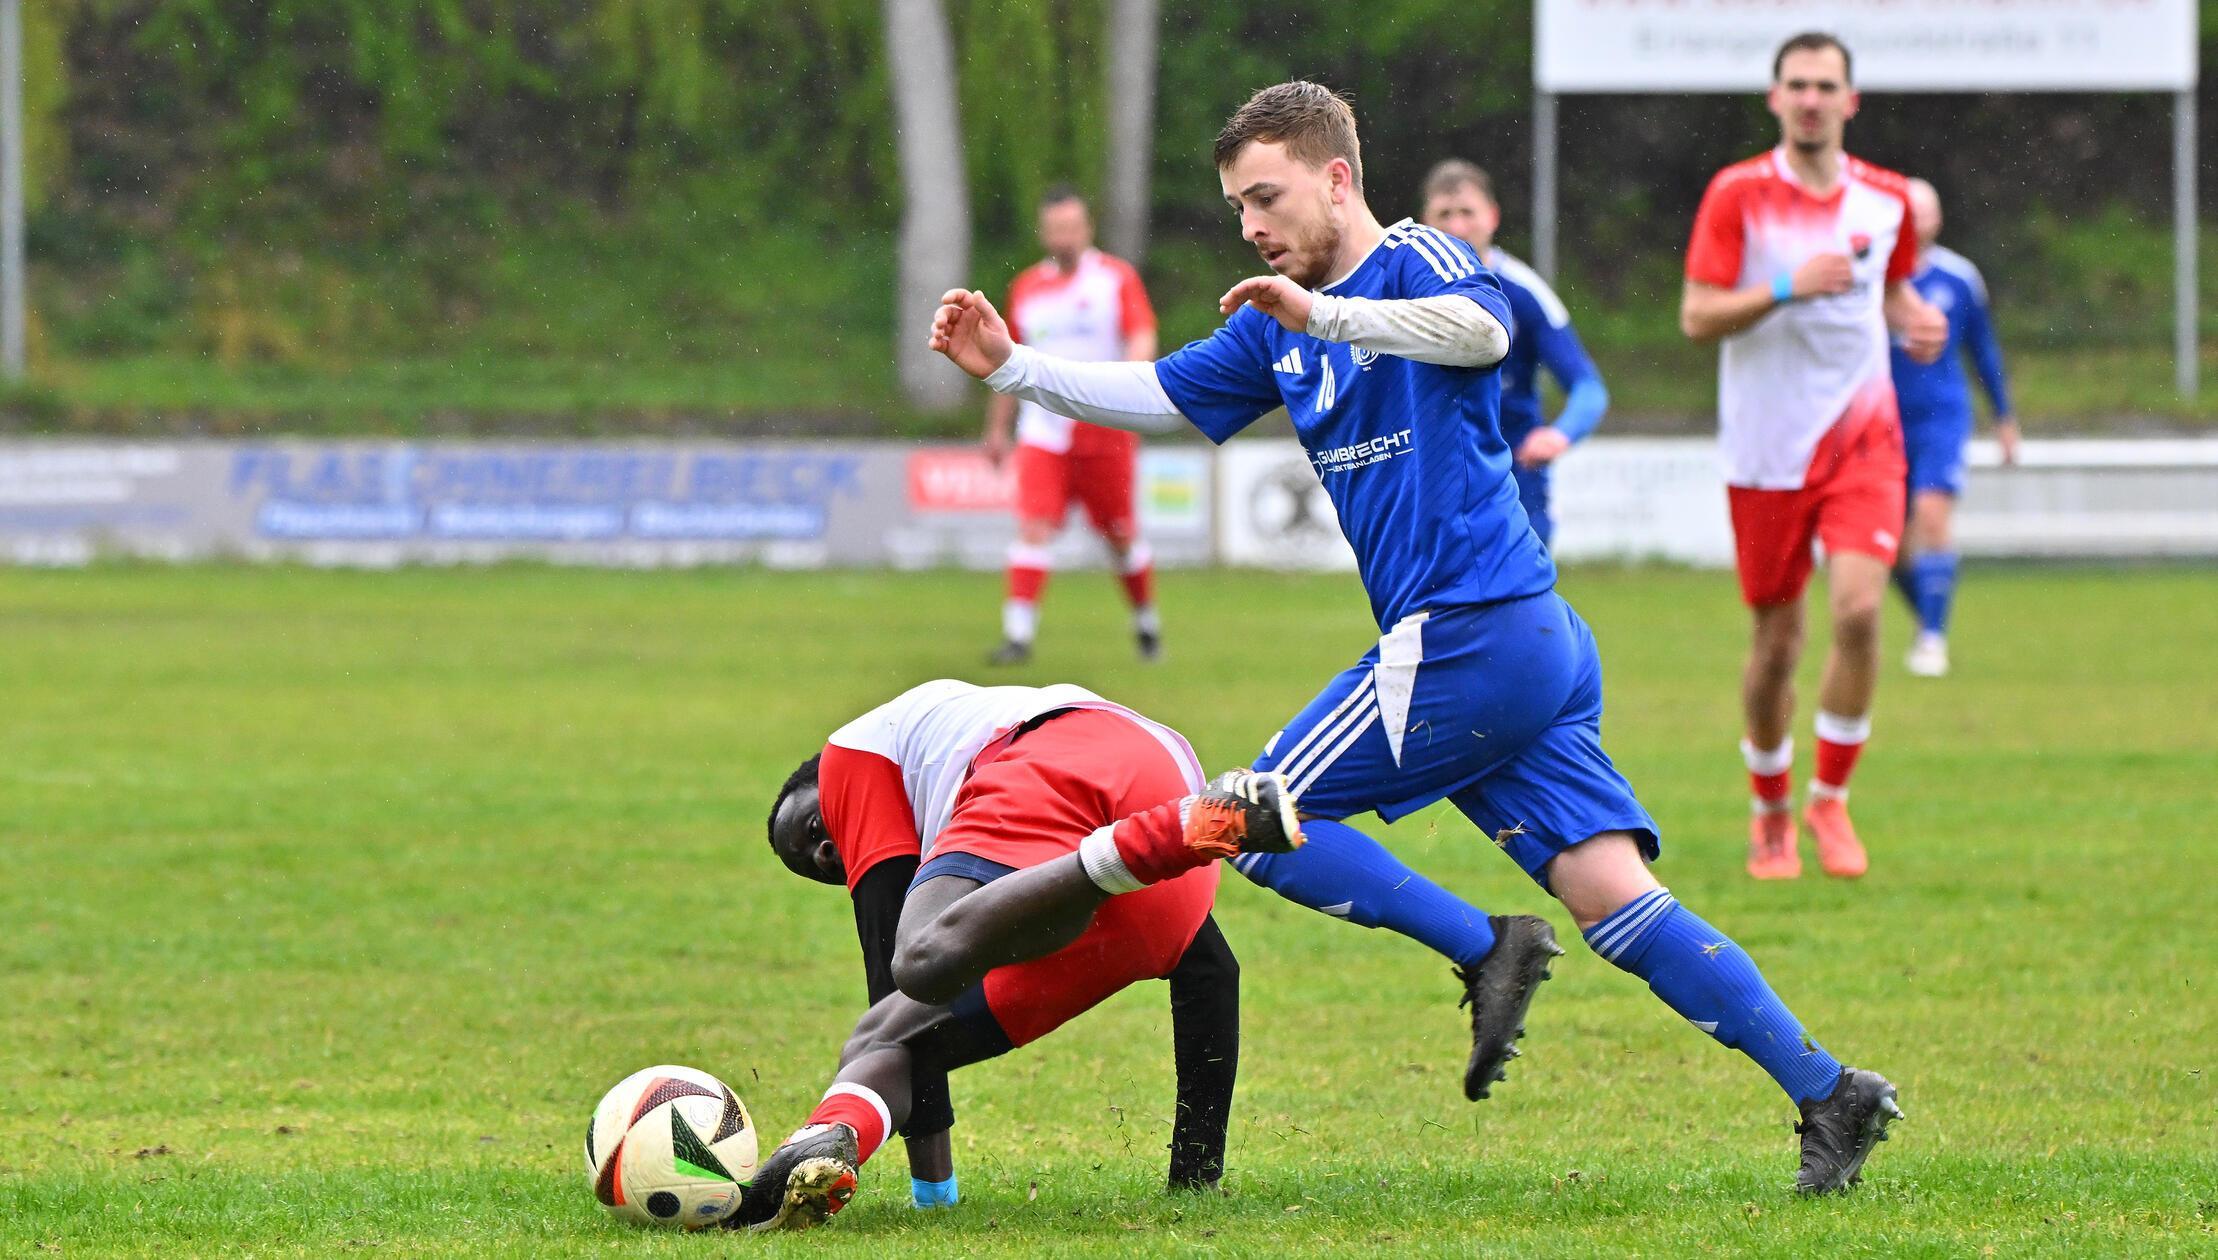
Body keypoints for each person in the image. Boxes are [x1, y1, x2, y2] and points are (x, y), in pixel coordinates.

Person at [931, 80, 1901, 1195]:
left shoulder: (1415, 261)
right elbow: (1155, 393)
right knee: (1611, 897)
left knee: (1243, 822)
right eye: (1237, 207)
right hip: (1511, 648)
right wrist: (1011, 366)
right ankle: (1829, 1092)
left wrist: (1328, 316)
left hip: (1470, 633)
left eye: (1267, 198)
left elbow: (1483, 329)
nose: (1250, 226)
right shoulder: (1275, 319)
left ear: (1335, 178)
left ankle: (1489, 946)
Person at [739, 679, 1301, 1230]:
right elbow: (1211, 972)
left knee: (917, 965)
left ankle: (1162, 835)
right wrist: (1196, 1179)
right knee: (879, 1037)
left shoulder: (851, 756)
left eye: (814, 827)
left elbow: (900, 981)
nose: (825, 852)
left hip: (1071, 753)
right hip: (1163, 824)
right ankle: (826, 1141)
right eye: (813, 866)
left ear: (823, 783)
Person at [1679, 32, 1948, 882]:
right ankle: (1770, 813)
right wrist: (1788, 285)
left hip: (1865, 435)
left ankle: (1830, 802)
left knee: (1862, 612)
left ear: (1849, 100)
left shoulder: (1888, 198)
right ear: (1774, 98)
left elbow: (1892, 286)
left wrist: (1916, 321)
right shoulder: (1738, 194)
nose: (1810, 99)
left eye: (1825, 85)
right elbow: (1696, 315)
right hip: (1767, 449)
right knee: (1777, 642)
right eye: (1796, 84)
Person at [983, 188, 1164, 666]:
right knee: (1034, 527)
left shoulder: (1114, 279)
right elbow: (1008, 363)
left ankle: (1145, 621)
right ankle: (1017, 637)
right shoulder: (1026, 289)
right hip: (1044, 432)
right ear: (1044, 234)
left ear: (1087, 229)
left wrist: (1126, 380)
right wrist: (997, 430)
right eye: (1055, 229)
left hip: (1105, 430)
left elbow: (1142, 332)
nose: (1064, 237)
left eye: (1072, 227)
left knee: (1120, 535)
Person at [1419, 159, 1609, 549]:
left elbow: (1588, 386)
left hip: (1513, 472)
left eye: (1467, 213)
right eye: (1444, 215)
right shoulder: (1402, 292)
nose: (1456, 227)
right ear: (1425, 222)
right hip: (1431, 475)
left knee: (1521, 605)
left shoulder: (1524, 293)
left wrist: (1560, 434)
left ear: (1492, 217)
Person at [1890, 177, 2019, 678]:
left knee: (1933, 517)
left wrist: (2004, 417)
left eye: (1926, 211)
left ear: (1938, 220)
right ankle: (1930, 614)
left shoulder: (1960, 277)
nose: (1918, 220)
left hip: (1941, 417)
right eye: (1909, 211)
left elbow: (1984, 352)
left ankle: (1932, 638)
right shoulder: (1869, 277)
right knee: (1893, 547)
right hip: (1882, 421)